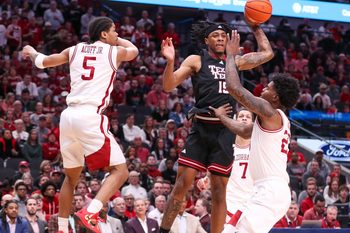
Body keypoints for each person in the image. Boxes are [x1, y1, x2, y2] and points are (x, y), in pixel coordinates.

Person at [22, 16, 138, 233]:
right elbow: (134, 50)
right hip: (90, 115)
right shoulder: (115, 51)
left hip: (68, 117)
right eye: (114, 30)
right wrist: (120, 40)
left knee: (71, 176)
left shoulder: (74, 50)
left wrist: (30, 51)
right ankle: (91, 211)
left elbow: (43, 62)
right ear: (104, 34)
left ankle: (63, 228)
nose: (117, 34)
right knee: (120, 171)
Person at [160, 20, 274, 233]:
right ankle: (163, 231)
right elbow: (168, 85)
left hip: (225, 131)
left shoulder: (236, 61)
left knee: (220, 190)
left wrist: (256, 28)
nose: (220, 38)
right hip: (201, 128)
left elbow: (267, 53)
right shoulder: (197, 60)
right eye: (215, 36)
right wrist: (170, 61)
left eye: (223, 35)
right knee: (182, 184)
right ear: (206, 40)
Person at [220, 30, 300, 233]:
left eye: (268, 88)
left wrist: (230, 56)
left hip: (270, 190)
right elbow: (245, 131)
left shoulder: (270, 112)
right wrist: (219, 116)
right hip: (264, 191)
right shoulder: (273, 120)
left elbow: (234, 88)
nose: (263, 88)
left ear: (276, 98)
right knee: (228, 230)